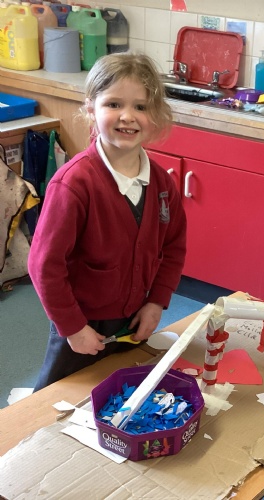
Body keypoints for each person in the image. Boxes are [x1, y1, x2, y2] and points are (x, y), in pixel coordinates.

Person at [28, 53, 187, 390]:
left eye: (140, 107)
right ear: (91, 108)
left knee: (121, 394)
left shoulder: (162, 184)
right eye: (114, 104)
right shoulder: (73, 184)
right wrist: (73, 327)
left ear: (155, 114)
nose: (128, 116)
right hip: (81, 321)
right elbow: (45, 265)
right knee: (58, 400)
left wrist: (156, 301)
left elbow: (173, 248)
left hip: (134, 318)